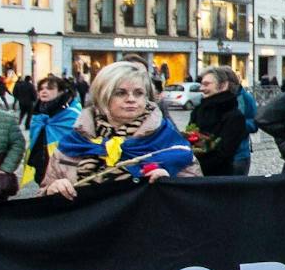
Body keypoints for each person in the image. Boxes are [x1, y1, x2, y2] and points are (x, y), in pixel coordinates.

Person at [41, 61, 197, 199]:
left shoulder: (169, 141)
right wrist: (52, 190)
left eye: (139, 93)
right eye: (120, 93)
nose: (131, 99)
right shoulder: (74, 141)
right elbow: (43, 197)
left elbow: (195, 197)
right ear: (103, 96)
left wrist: (170, 185)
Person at [186, 67, 250, 178]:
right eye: (201, 84)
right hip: (194, 173)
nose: (201, 88)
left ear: (223, 85)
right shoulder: (198, 111)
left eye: (206, 84)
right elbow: (190, 138)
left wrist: (201, 146)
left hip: (220, 178)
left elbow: (223, 152)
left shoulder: (234, 116)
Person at [23, 75, 81, 187]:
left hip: (64, 169)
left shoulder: (73, 114)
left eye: (49, 88)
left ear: (61, 91)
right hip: (41, 166)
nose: (44, 91)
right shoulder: (38, 114)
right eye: (41, 89)